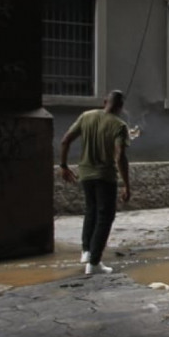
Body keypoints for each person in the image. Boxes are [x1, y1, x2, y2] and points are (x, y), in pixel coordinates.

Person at [59, 90, 132, 275]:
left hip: (85, 174)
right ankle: (94, 263)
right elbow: (120, 156)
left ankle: (86, 251)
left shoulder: (86, 116)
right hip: (105, 177)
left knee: (91, 210)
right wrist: (126, 184)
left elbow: (65, 140)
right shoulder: (120, 126)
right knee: (105, 217)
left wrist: (64, 166)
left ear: (105, 101)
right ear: (121, 107)